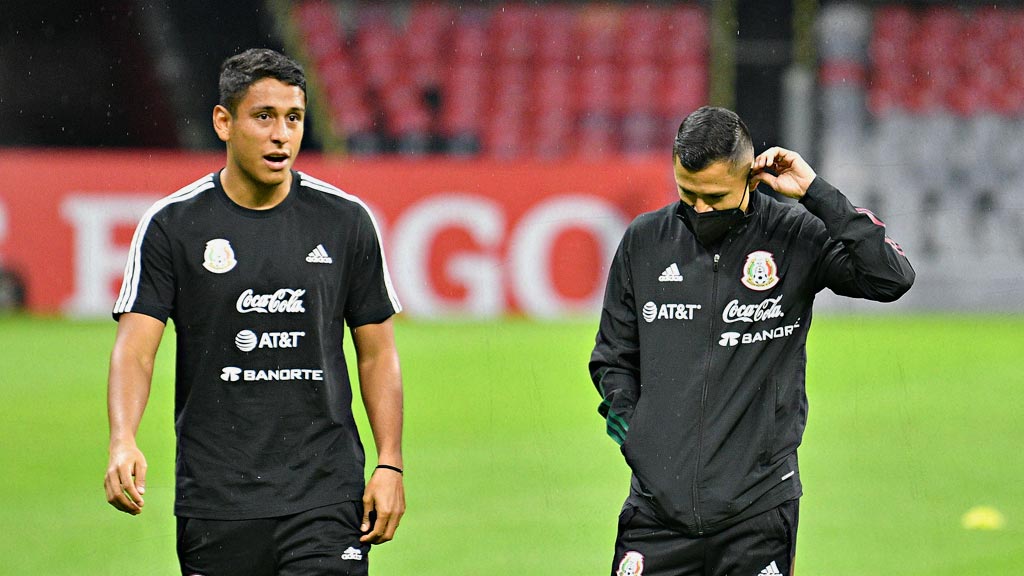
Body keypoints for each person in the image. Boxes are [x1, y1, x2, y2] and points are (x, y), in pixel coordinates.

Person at [104, 48, 405, 576]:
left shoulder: (346, 221)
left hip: (325, 495)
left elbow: (378, 354)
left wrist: (390, 462)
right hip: (217, 500)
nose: (281, 134)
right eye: (263, 117)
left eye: (293, 119)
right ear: (224, 121)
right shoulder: (172, 225)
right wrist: (123, 437)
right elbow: (136, 351)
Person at [590, 106, 914, 576]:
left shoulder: (794, 235)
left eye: (715, 196)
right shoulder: (645, 241)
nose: (699, 208)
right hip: (656, 514)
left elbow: (891, 278)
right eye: (687, 192)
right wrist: (638, 434)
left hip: (757, 514)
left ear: (750, 178)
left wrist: (816, 194)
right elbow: (613, 356)